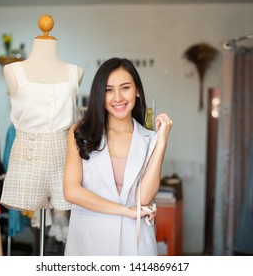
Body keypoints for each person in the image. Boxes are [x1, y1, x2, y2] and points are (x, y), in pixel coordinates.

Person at [63, 57, 173, 255]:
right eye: (108, 90)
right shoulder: (80, 133)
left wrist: (162, 142)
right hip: (90, 241)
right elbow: (71, 191)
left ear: (137, 90)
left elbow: (144, 197)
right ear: (99, 94)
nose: (118, 98)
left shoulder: (149, 139)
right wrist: (126, 211)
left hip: (135, 243)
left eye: (125, 88)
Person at [0, 15, 84, 212]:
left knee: (64, 208)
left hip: (65, 154)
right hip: (26, 154)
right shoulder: (13, 70)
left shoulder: (75, 72)